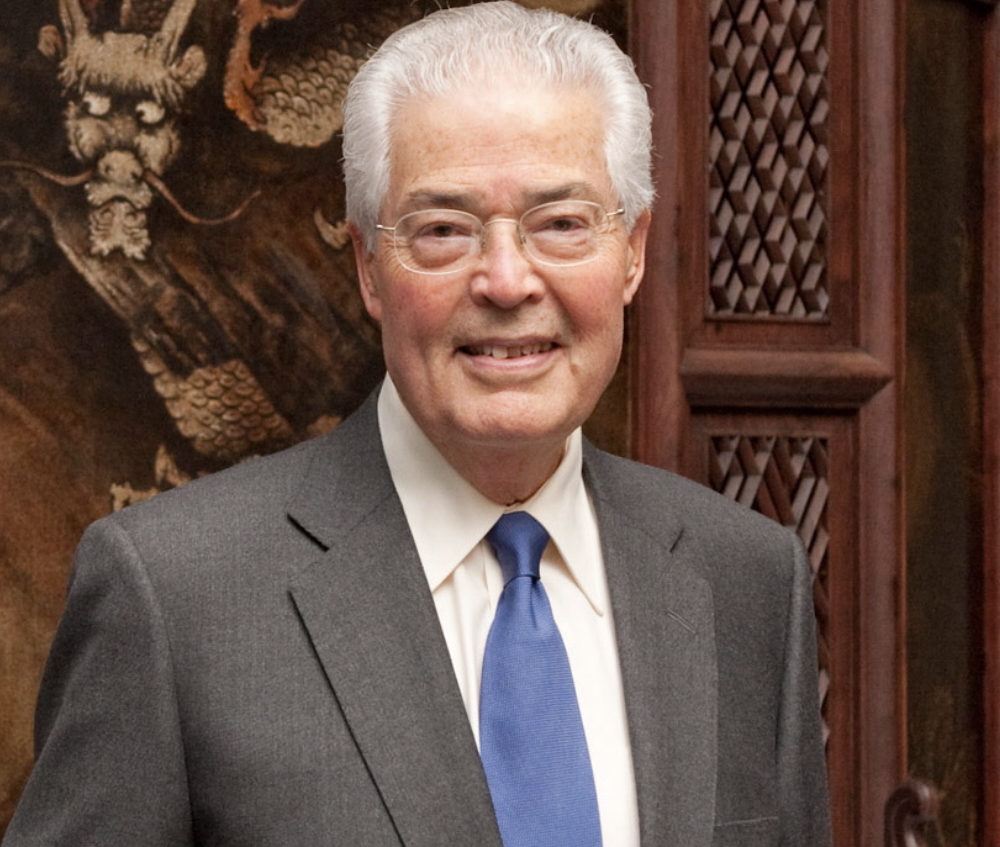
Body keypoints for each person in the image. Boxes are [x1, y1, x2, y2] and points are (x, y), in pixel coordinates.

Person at [2, 2, 831, 845]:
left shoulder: (746, 582)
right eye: (443, 230)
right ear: (368, 265)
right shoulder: (172, 597)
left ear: (634, 251)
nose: (506, 281)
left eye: (561, 224)